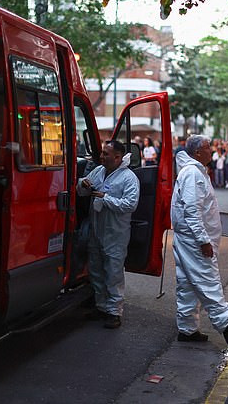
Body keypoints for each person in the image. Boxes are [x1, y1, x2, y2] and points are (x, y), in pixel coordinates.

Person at [171, 135, 228, 345]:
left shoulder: (195, 172)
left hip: (190, 239)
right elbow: (192, 210)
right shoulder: (192, 174)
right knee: (208, 281)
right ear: (197, 153)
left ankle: (187, 329)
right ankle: (227, 326)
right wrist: (203, 240)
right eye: (208, 148)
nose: (212, 150)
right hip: (194, 241)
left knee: (188, 284)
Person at [77, 140, 140, 329]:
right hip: (96, 229)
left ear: (118, 157)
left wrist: (106, 200)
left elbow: (130, 204)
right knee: (96, 269)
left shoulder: (129, 178)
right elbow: (80, 189)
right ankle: (101, 306)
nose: (101, 156)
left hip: (115, 233)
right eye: (102, 153)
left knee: (113, 273)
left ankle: (114, 312)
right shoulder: (99, 171)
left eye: (106, 153)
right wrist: (84, 183)